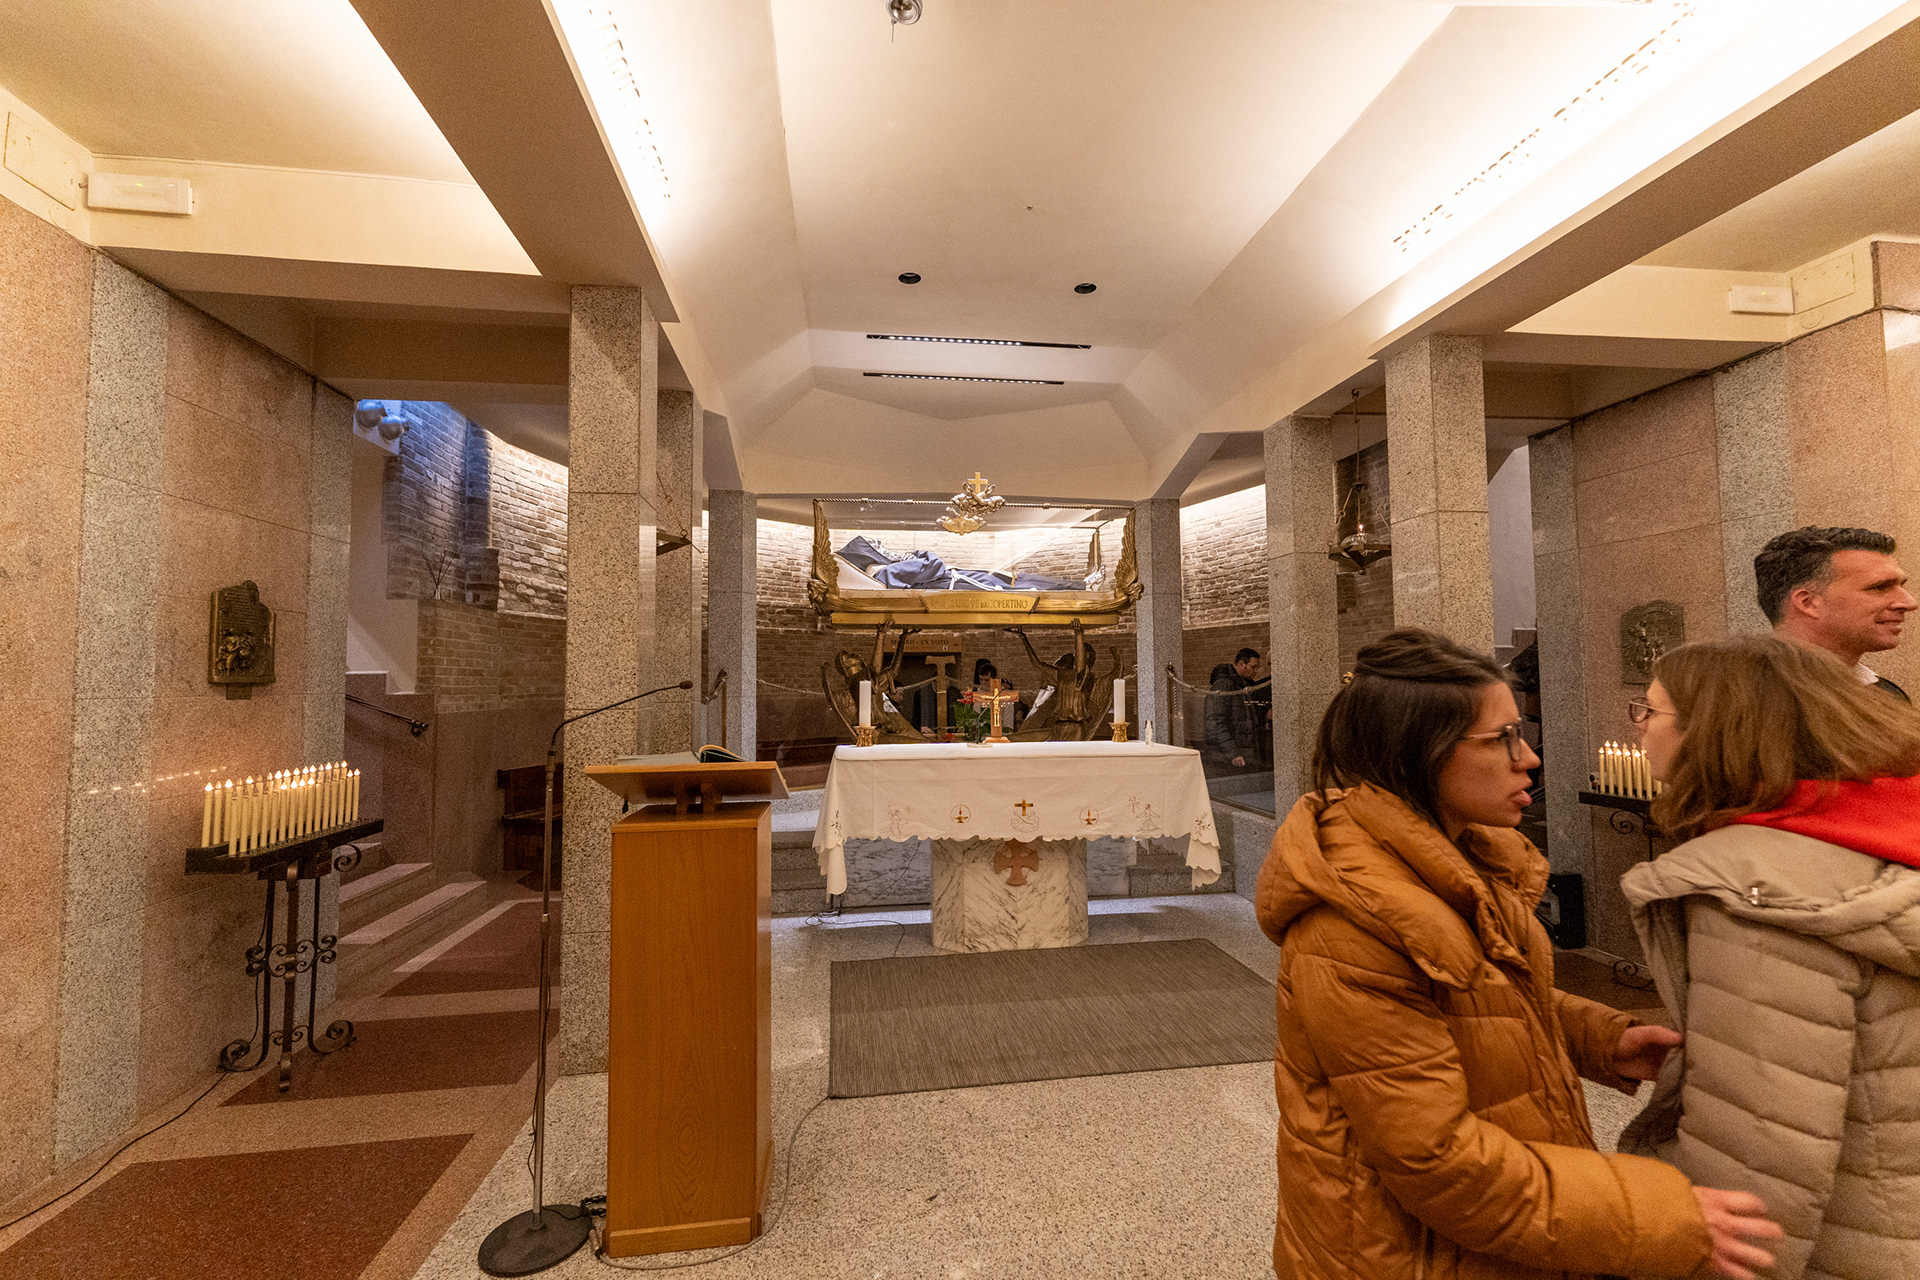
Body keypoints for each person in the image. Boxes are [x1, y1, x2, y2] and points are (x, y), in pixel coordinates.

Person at [1256, 628, 1777, 1280]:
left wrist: (1598, 1039)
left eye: (1522, 732)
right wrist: (1658, 1215)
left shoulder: (1462, 859)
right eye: (1501, 738)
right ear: (1420, 753)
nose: (1528, 756)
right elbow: (1437, 1162)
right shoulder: (1351, 927)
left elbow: (1473, 999)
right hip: (1403, 1254)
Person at [1621, 635, 1920, 1280]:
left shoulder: (1753, 889)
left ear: (1712, 733)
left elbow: (1760, 1148)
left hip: (1846, 1243)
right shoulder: (1887, 832)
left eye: (1650, 710)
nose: (1639, 727)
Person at [1755, 525, 1915, 700]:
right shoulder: (1747, 703)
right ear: (1808, 603)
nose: (1910, 603)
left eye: (1901, 586)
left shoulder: (1888, 695)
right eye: (1880, 587)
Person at [1204, 647, 1262, 768]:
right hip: (1231, 758)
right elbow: (1215, 722)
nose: (1256, 671)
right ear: (1242, 664)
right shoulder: (1224, 685)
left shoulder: (1244, 686)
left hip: (1245, 753)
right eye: (1253, 667)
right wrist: (1233, 753)